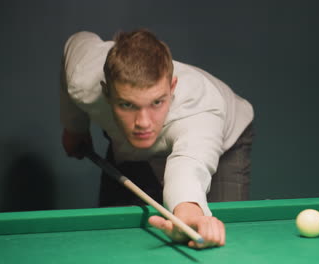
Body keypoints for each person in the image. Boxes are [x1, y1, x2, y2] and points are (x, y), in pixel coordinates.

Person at [60, 29, 254, 248]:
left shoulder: (200, 110)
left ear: (172, 88)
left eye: (157, 103)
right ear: (106, 93)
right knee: (114, 239)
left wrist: (188, 211)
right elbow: (77, 41)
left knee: (214, 235)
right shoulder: (83, 78)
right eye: (127, 104)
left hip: (225, 143)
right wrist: (75, 127)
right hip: (132, 144)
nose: (143, 122)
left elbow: (189, 165)